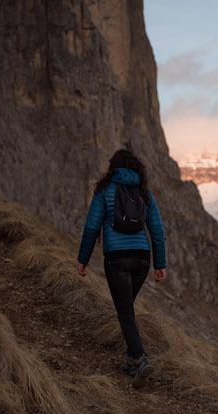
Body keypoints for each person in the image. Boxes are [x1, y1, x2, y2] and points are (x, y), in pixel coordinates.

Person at [76, 149, 166, 388]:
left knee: (125, 311)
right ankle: (130, 359)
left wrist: (82, 260)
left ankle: (139, 358)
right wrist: (160, 264)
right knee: (126, 309)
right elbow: (157, 230)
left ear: (113, 168)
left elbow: (91, 227)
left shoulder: (105, 190)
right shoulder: (145, 192)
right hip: (142, 259)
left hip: (116, 258)